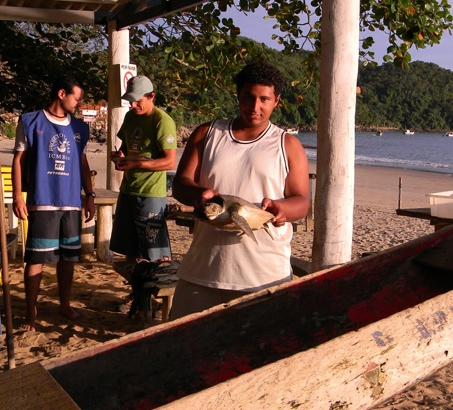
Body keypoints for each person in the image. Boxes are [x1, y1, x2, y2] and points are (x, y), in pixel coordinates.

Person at [170, 61, 310, 319]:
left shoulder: (287, 145)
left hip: (265, 276)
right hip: (204, 270)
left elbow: (301, 201)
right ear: (238, 95)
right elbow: (181, 183)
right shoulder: (207, 134)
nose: (255, 107)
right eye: (248, 97)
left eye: (264, 99)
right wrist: (197, 196)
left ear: (276, 101)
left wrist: (281, 210)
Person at [11, 75, 95, 332]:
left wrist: (89, 196)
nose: (78, 103)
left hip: (70, 202)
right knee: (36, 258)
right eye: (76, 98)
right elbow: (18, 161)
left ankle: (65, 304)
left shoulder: (80, 128)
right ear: (61, 94)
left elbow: (81, 162)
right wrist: (17, 195)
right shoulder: (30, 121)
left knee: (68, 259)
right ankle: (30, 313)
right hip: (42, 200)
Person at [110, 75, 177, 276]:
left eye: (138, 100)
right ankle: (136, 295)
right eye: (130, 100)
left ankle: (157, 298)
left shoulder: (162, 121)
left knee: (155, 252)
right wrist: (120, 156)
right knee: (130, 250)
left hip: (151, 194)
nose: (133, 104)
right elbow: (126, 147)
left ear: (152, 97)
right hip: (128, 189)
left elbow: (169, 162)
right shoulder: (130, 117)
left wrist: (137, 163)